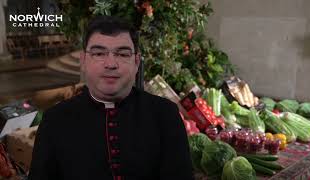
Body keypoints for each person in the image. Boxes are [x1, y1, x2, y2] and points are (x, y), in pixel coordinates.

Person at [28, 15, 194, 180]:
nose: (111, 64)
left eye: (122, 54)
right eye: (99, 53)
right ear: (84, 62)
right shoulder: (55, 120)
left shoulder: (165, 114)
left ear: (136, 62)